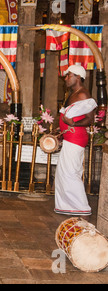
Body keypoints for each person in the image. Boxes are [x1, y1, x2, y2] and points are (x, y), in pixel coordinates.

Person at [54, 64, 96, 218]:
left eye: (68, 75)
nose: (66, 78)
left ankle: (80, 206)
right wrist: (61, 129)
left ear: (78, 76)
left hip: (76, 137)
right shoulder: (73, 94)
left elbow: (90, 119)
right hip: (70, 136)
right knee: (65, 172)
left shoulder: (83, 94)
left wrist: (73, 124)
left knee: (70, 172)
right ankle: (68, 205)